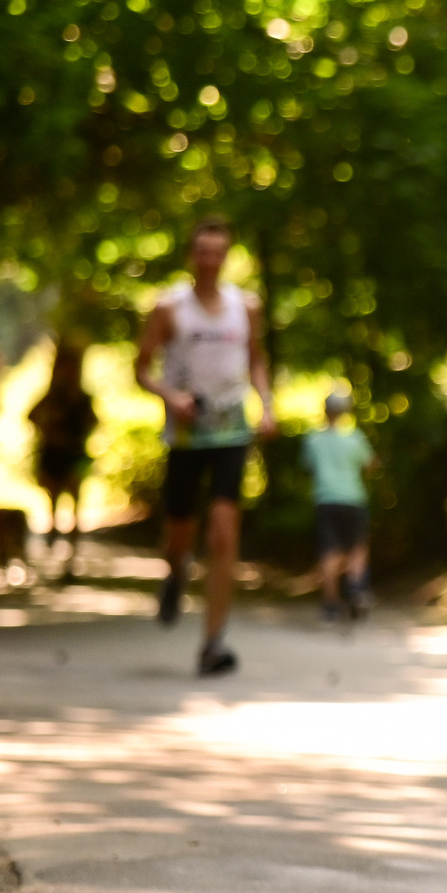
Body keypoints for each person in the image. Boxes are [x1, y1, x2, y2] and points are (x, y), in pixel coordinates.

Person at [136, 217, 273, 677]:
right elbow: (141, 368)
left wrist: (267, 405)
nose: (211, 260)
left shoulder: (245, 307)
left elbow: (256, 360)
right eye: (203, 252)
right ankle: (175, 572)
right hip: (187, 434)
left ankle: (213, 642)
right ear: (192, 256)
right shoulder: (168, 307)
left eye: (218, 252)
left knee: (222, 531)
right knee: (179, 534)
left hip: (231, 431)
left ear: (227, 255)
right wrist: (170, 396)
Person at [300, 389, 376, 623]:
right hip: (353, 498)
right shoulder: (356, 439)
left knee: (329, 551)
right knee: (357, 547)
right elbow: (371, 464)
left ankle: (331, 604)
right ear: (346, 411)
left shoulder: (313, 439)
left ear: (326, 410)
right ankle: (354, 587)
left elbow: (307, 467)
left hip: (325, 499)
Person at [28, 342, 98, 583]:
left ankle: (71, 558)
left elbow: (93, 423)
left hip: (75, 455)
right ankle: (54, 532)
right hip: (52, 455)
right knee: (54, 499)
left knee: (76, 506)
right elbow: (31, 415)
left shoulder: (83, 397)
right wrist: (49, 429)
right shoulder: (52, 395)